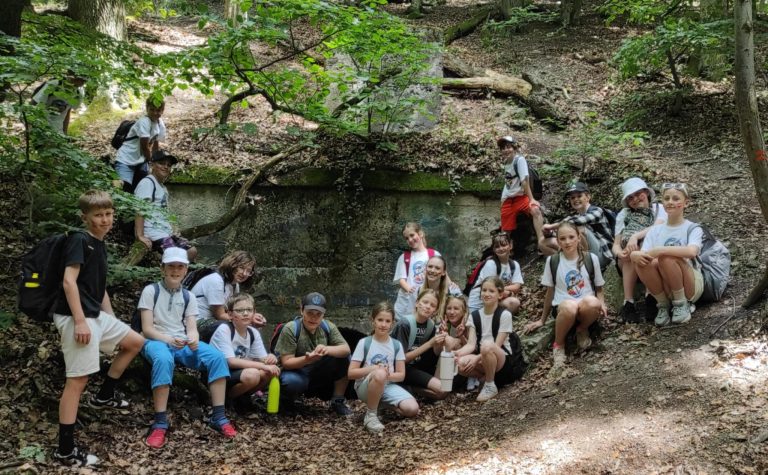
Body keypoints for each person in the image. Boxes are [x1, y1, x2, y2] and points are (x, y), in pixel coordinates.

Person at [52, 190, 145, 467]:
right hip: (75, 316)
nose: (105, 220)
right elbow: (70, 283)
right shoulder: (79, 240)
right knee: (77, 380)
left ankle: (104, 396)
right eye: (98, 215)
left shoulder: (99, 244)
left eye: (108, 214)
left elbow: (98, 286)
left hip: (94, 314)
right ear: (85, 217)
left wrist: (112, 319)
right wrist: (80, 321)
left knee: (134, 341)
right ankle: (65, 450)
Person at [139, 247, 236, 449]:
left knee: (216, 357)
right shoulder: (151, 291)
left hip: (180, 341)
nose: (175, 270)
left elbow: (192, 328)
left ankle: (218, 416)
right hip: (155, 340)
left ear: (186, 270)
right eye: (171, 266)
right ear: (162, 268)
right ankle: (160, 422)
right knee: (164, 360)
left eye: (180, 267)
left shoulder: (188, 296)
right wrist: (168, 339)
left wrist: (192, 338)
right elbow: (147, 329)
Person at [523, 222, 606, 373]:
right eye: (562, 239)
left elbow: (599, 288)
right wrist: (542, 319)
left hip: (585, 308)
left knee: (593, 303)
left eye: (571, 237)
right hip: (563, 307)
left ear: (578, 238)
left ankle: (582, 329)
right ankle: (559, 345)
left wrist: (602, 304)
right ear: (558, 241)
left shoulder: (590, 258)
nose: (567, 242)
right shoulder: (553, 261)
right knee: (569, 306)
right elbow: (550, 292)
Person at [630, 183, 704, 326]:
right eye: (667, 198)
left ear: (685, 203)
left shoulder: (692, 228)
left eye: (676, 199)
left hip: (690, 284)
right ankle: (663, 305)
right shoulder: (655, 231)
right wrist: (634, 255)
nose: (670, 202)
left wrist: (661, 250)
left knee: (666, 258)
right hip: (664, 284)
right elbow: (645, 257)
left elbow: (691, 252)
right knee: (642, 261)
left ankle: (682, 304)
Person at [273, 292, 353, 415]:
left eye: (318, 314)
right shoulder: (291, 328)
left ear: (323, 315)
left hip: (317, 370)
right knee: (291, 381)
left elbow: (346, 349)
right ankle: (287, 401)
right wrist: (307, 359)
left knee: (345, 358)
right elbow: (287, 363)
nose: (314, 317)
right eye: (310, 312)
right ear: (302, 310)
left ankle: (338, 400)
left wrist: (327, 349)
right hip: (296, 370)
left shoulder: (328, 326)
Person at [348, 302, 419, 433]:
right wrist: (373, 369)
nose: (383, 324)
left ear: (392, 323)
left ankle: (380, 405)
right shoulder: (364, 343)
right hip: (365, 386)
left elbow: (401, 375)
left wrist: (387, 374)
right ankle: (371, 415)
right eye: (380, 320)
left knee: (412, 409)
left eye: (387, 321)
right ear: (373, 321)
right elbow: (351, 373)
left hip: (387, 385)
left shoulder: (396, 345)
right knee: (379, 373)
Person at [454, 276, 527, 402]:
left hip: (503, 361)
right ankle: (485, 378)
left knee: (487, 345)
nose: (487, 294)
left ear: (500, 295)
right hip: (485, 358)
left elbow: (497, 345)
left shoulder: (504, 315)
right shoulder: (474, 316)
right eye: (484, 290)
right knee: (460, 364)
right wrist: (456, 354)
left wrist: (476, 359)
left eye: (491, 291)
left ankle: (489, 384)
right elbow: (471, 345)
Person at [208, 293, 280, 410]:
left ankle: (242, 397)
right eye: (240, 310)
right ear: (230, 314)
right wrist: (263, 365)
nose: (245, 313)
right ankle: (226, 399)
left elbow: (262, 359)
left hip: (239, 373)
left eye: (249, 310)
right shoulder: (225, 330)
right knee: (253, 374)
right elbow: (231, 362)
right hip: (220, 374)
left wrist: (270, 358)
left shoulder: (252, 332)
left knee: (269, 372)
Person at [612, 177, 667, 323]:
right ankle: (628, 302)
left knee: (646, 245)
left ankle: (651, 296)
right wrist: (619, 253)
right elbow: (616, 244)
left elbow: (657, 228)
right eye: (630, 198)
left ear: (646, 192)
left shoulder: (659, 208)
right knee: (631, 252)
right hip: (628, 260)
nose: (635, 199)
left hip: (652, 255)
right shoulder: (623, 215)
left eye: (638, 194)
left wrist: (635, 236)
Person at [134, 150, 197, 262]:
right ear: (152, 164)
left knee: (191, 251)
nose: (166, 167)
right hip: (153, 233)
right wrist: (140, 235)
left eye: (168, 165)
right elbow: (140, 210)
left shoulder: (163, 187)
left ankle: (177, 275)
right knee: (175, 256)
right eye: (162, 163)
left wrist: (173, 227)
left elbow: (164, 211)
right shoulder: (147, 183)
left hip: (165, 233)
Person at [539, 182, 614, 271]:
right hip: (584, 253)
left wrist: (551, 226)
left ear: (588, 197)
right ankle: (569, 265)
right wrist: (548, 233)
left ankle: (585, 268)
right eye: (572, 198)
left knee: (577, 229)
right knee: (543, 242)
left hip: (603, 255)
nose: (576, 199)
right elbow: (560, 232)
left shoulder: (597, 211)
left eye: (579, 196)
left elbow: (575, 222)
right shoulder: (574, 217)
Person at [390, 289, 446, 400]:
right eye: (425, 302)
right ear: (417, 303)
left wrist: (440, 340)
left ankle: (409, 389)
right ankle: (408, 388)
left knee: (444, 390)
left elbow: (435, 354)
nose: (428, 306)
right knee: (441, 391)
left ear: (435, 310)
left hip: (417, 366)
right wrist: (430, 343)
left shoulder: (430, 325)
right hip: (400, 368)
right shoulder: (404, 324)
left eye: (432, 305)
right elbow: (401, 360)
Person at [190, 250, 264, 328]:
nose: (244, 273)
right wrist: (248, 320)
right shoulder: (216, 280)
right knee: (230, 327)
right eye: (241, 268)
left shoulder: (235, 285)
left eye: (248, 271)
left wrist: (252, 316)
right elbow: (220, 315)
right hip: (196, 323)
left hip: (213, 322)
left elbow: (235, 310)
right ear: (232, 265)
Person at [497, 136, 546, 252]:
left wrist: (532, 199)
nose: (506, 150)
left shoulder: (519, 160)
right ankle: (507, 253)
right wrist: (503, 199)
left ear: (514, 147)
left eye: (508, 147)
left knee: (535, 210)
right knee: (505, 231)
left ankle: (541, 243)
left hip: (522, 198)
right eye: (503, 148)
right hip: (509, 201)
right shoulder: (506, 162)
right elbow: (508, 183)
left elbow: (524, 181)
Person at [115, 97, 166, 192]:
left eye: (158, 110)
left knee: (141, 189)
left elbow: (156, 143)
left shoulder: (160, 124)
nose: (155, 113)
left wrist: (154, 160)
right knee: (121, 188)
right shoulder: (144, 122)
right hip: (125, 160)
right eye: (152, 109)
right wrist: (151, 161)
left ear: (163, 110)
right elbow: (145, 147)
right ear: (147, 108)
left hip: (141, 161)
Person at [392, 222, 441, 320]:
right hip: (407, 304)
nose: (410, 239)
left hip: (426, 303)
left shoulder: (434, 254)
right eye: (406, 238)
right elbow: (401, 279)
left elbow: (442, 276)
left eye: (412, 235)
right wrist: (409, 289)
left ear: (420, 234)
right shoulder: (404, 257)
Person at [466, 233, 523, 315]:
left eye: (504, 245)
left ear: (510, 245)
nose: (501, 249)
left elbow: (517, 287)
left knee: (514, 303)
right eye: (497, 247)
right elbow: (488, 288)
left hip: (495, 299)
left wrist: (503, 290)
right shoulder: (491, 264)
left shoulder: (514, 265)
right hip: (478, 303)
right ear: (493, 249)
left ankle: (497, 320)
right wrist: (506, 292)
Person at [416, 255, 462, 323]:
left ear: (443, 272)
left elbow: (461, 318)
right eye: (430, 266)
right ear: (425, 269)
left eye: (437, 268)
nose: (432, 270)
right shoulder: (419, 289)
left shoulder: (453, 291)